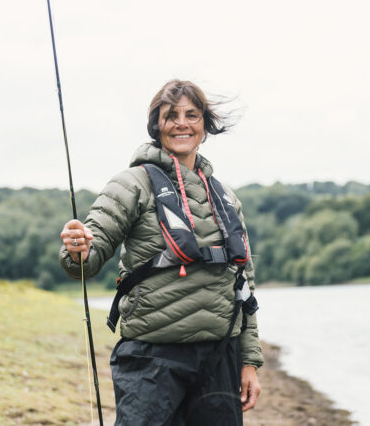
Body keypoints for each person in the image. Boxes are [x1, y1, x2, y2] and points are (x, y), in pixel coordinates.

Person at [59, 80, 263, 426]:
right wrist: (77, 248)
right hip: (151, 359)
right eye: (171, 116)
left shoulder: (225, 195)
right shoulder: (130, 184)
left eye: (191, 115)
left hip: (219, 357)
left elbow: (245, 286)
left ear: (204, 126)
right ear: (157, 125)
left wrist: (249, 362)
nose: (181, 123)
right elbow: (86, 262)